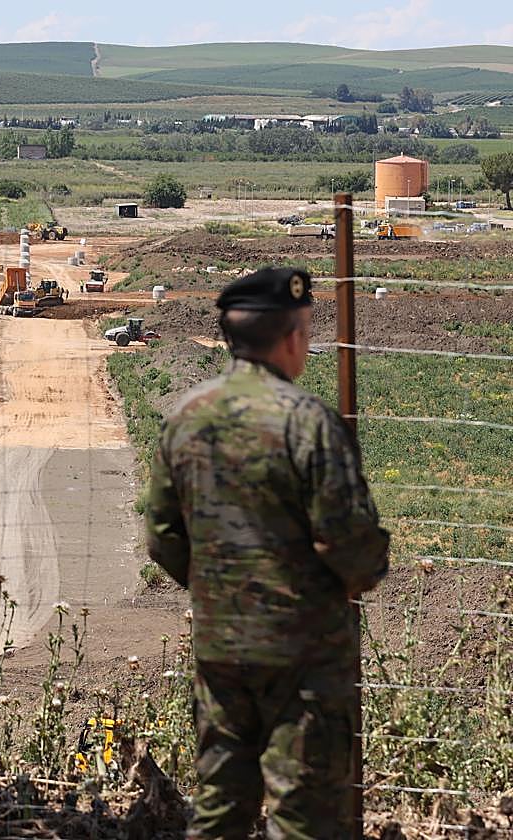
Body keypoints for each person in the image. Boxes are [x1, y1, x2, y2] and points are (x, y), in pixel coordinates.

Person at [144, 266, 390, 839]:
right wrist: (361, 575)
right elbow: (347, 539)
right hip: (304, 653)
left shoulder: (186, 417)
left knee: (220, 805)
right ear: (293, 337)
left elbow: (162, 533)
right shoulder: (307, 423)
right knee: (303, 813)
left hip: (220, 644)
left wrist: (218, 588)